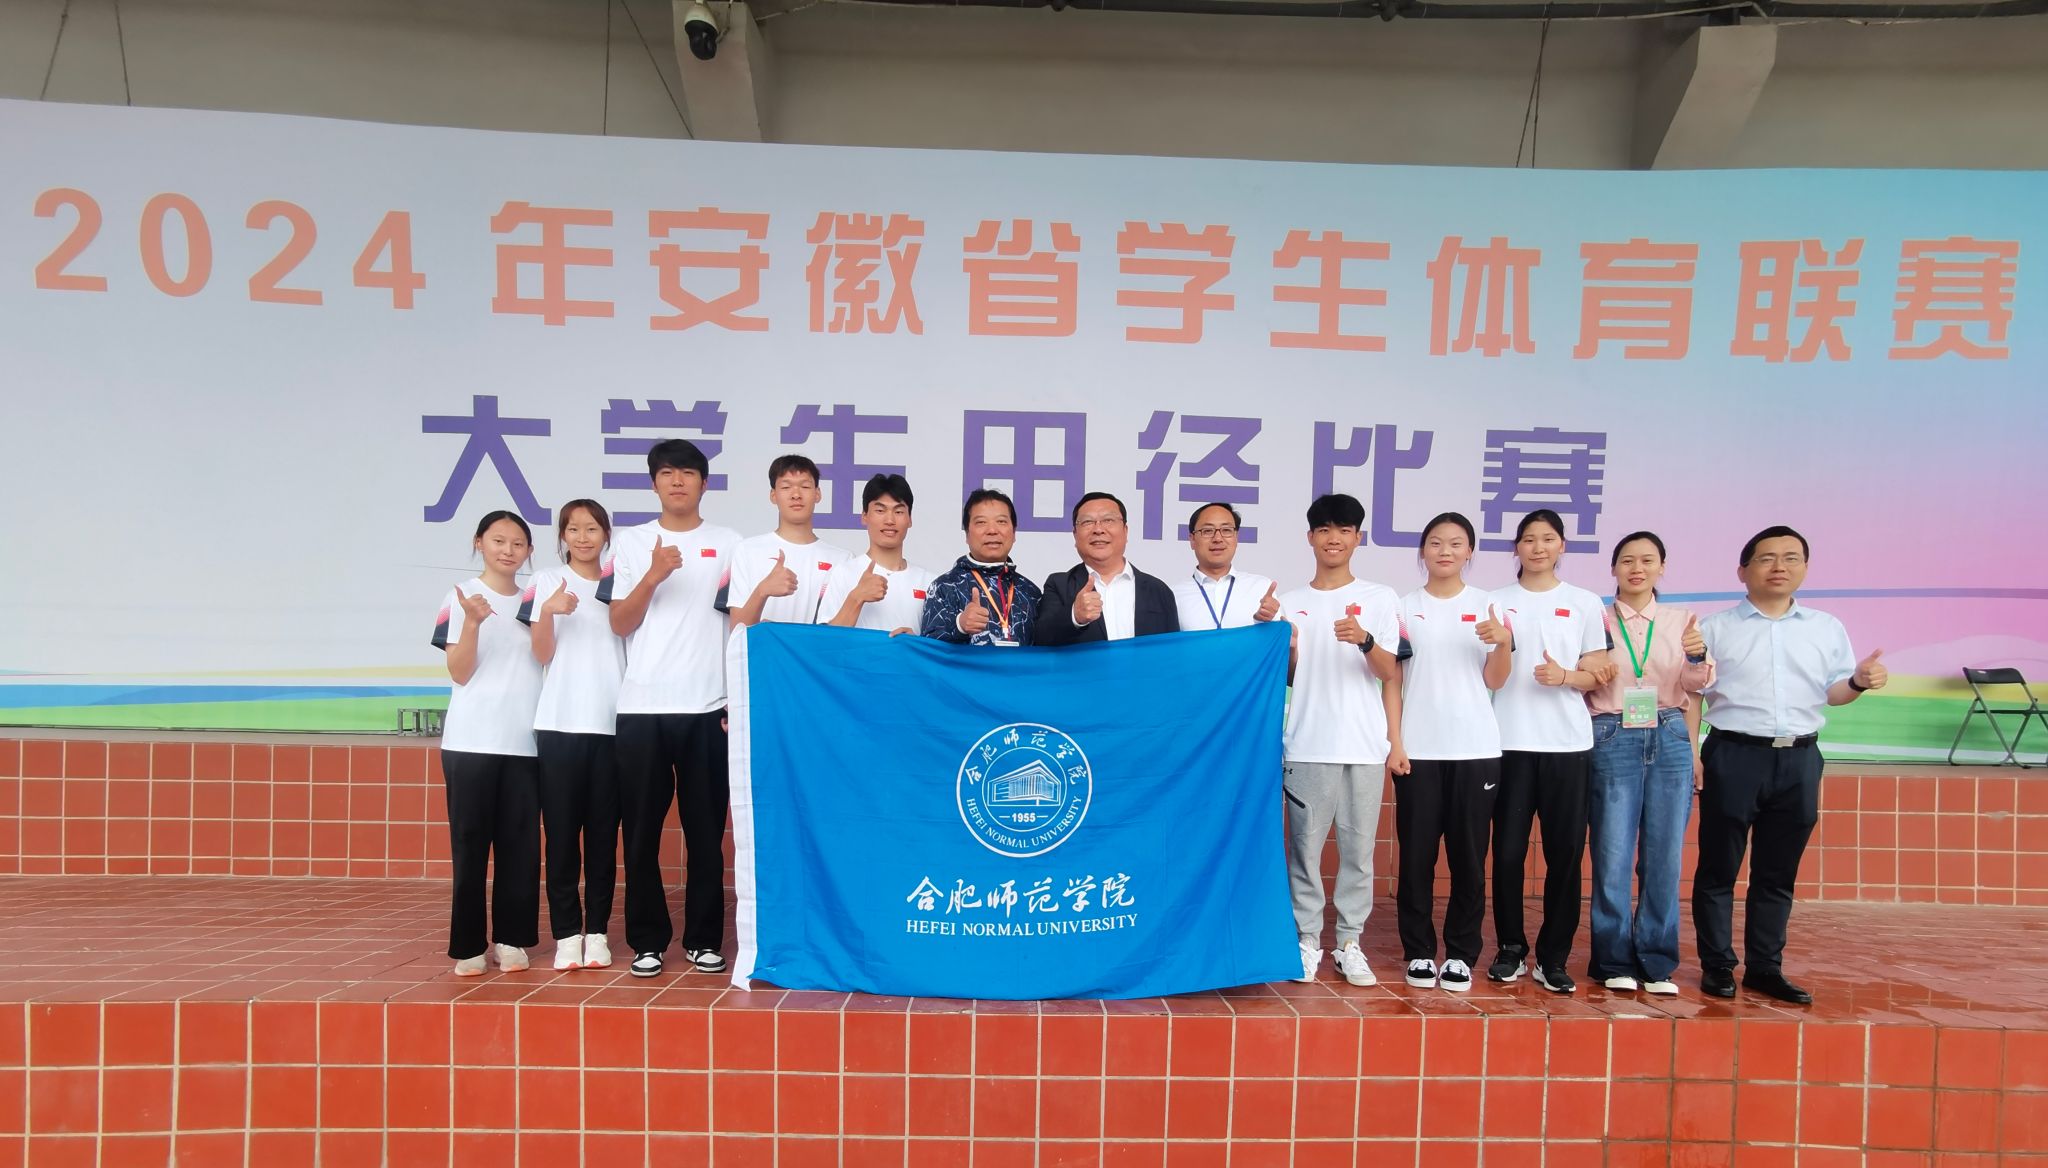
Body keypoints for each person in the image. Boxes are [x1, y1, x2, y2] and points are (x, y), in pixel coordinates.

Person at [1693, 525, 1885, 1005]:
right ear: (1742, 570)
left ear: (1804, 567)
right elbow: (1693, 693)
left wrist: (1859, 682)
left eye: (1791, 558)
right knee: (1718, 868)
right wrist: (1692, 753)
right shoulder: (1714, 629)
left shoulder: (1826, 627)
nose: (1779, 567)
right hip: (1733, 754)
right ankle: (1718, 965)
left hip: (1799, 758)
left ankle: (1765, 967)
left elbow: (1835, 693)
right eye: (1766, 558)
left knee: (1777, 873)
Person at [601, 439, 743, 978]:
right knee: (640, 833)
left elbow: (740, 620)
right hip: (642, 708)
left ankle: (704, 939)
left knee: (706, 833)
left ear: (704, 483)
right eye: (667, 473)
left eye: (687, 472)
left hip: (709, 707)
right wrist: (654, 574)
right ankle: (647, 940)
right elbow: (619, 622)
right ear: (654, 483)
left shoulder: (729, 544)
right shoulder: (632, 543)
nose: (677, 481)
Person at [1484, 509, 1614, 994]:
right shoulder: (1494, 602)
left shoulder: (1584, 602)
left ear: (1562, 546)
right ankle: (1510, 948)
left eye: (1548, 539)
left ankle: (1553, 957)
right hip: (1507, 743)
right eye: (1528, 539)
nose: (1538, 547)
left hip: (1567, 745)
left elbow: (1599, 671)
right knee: (1508, 853)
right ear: (1515, 547)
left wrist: (1566, 677)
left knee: (1565, 855)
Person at [1277, 494, 1401, 986]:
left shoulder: (1381, 597)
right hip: (1307, 743)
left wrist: (1365, 640)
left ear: (1357, 538)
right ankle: (1307, 940)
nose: (1334, 539)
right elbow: (1288, 677)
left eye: (1344, 530)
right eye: (1325, 530)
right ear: (1310, 537)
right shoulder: (1289, 603)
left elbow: (1389, 671)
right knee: (1304, 852)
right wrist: (1288, 648)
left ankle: (1349, 943)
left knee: (1358, 853)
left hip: (1364, 746)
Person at [1387, 512, 1512, 993]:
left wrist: (1502, 644)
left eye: (1456, 543)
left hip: (1475, 749)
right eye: (1436, 542)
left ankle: (1461, 954)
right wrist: (1396, 742)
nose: (1445, 551)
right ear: (1423, 551)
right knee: (1416, 858)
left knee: (1468, 858)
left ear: (1470, 552)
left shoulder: (1488, 606)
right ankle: (1418, 951)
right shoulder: (1404, 607)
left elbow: (1496, 679)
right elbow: (1393, 681)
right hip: (1417, 750)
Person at [1586, 531, 1713, 996]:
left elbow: (1695, 686)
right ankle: (1613, 959)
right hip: (1612, 731)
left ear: (1662, 567)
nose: (1636, 568)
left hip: (1670, 732)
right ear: (1613, 568)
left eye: (1647, 560)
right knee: (1613, 852)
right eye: (1627, 560)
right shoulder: (1595, 619)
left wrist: (1697, 655)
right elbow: (1584, 678)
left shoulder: (1682, 621)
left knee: (1664, 854)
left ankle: (1657, 960)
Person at [430, 511, 544, 976]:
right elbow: (459, 672)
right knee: (470, 845)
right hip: (471, 741)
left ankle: (512, 940)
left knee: (520, 848)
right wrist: (474, 622)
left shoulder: (536, 601)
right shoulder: (459, 597)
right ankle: (469, 945)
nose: (508, 550)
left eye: (518, 543)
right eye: (498, 540)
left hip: (525, 742)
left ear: (529, 551)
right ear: (479, 542)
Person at [519, 499, 626, 972]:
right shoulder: (544, 581)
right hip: (559, 725)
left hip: (612, 726)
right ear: (562, 535)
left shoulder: (620, 583)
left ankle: (597, 933)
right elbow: (540, 653)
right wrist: (548, 611)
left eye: (592, 529)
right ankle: (567, 934)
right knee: (561, 837)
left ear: (606, 534)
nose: (583, 538)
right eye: (573, 529)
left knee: (603, 838)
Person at [1035, 492, 1180, 644]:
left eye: (1108, 520)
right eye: (1087, 522)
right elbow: (1041, 638)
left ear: (1125, 530)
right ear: (1075, 535)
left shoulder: (1158, 590)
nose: (1098, 529)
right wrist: (1074, 616)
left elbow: (1172, 650)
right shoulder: (1059, 585)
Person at [728, 455, 851, 627]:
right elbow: (737, 629)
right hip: (763, 646)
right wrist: (762, 591)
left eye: (805, 486)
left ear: (817, 494)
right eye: (786, 487)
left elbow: (840, 634)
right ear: (773, 495)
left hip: (812, 647)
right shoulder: (747, 550)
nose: (796, 495)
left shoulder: (842, 559)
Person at [920, 488, 1044, 646]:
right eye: (981, 522)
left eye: (1001, 521)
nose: (992, 530)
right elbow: (928, 650)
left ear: (1014, 533)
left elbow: (1048, 649)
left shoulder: (1030, 592)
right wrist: (960, 626)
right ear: (967, 534)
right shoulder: (944, 588)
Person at [817, 473, 933, 634]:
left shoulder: (929, 582)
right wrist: (856, 597)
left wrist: (914, 642)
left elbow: (936, 645)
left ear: (910, 519)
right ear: (864, 516)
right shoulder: (843, 573)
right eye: (880, 510)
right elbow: (825, 640)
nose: (890, 520)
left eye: (899, 512)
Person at [1171, 502, 1282, 631]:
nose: (1218, 538)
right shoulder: (1173, 596)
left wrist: (1263, 622)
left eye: (1226, 530)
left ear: (1236, 537)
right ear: (1192, 540)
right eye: (1207, 531)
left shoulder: (1260, 587)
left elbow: (1279, 639)